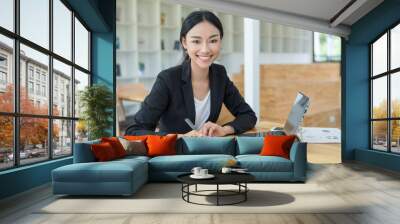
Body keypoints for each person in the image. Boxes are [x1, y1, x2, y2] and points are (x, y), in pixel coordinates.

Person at [125, 10, 257, 137]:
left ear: (220, 41)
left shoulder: (219, 75)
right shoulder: (168, 79)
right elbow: (134, 130)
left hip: (208, 153)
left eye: (213, 40)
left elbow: (248, 116)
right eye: (196, 41)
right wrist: (179, 137)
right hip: (173, 155)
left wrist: (224, 130)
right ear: (184, 43)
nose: (205, 49)